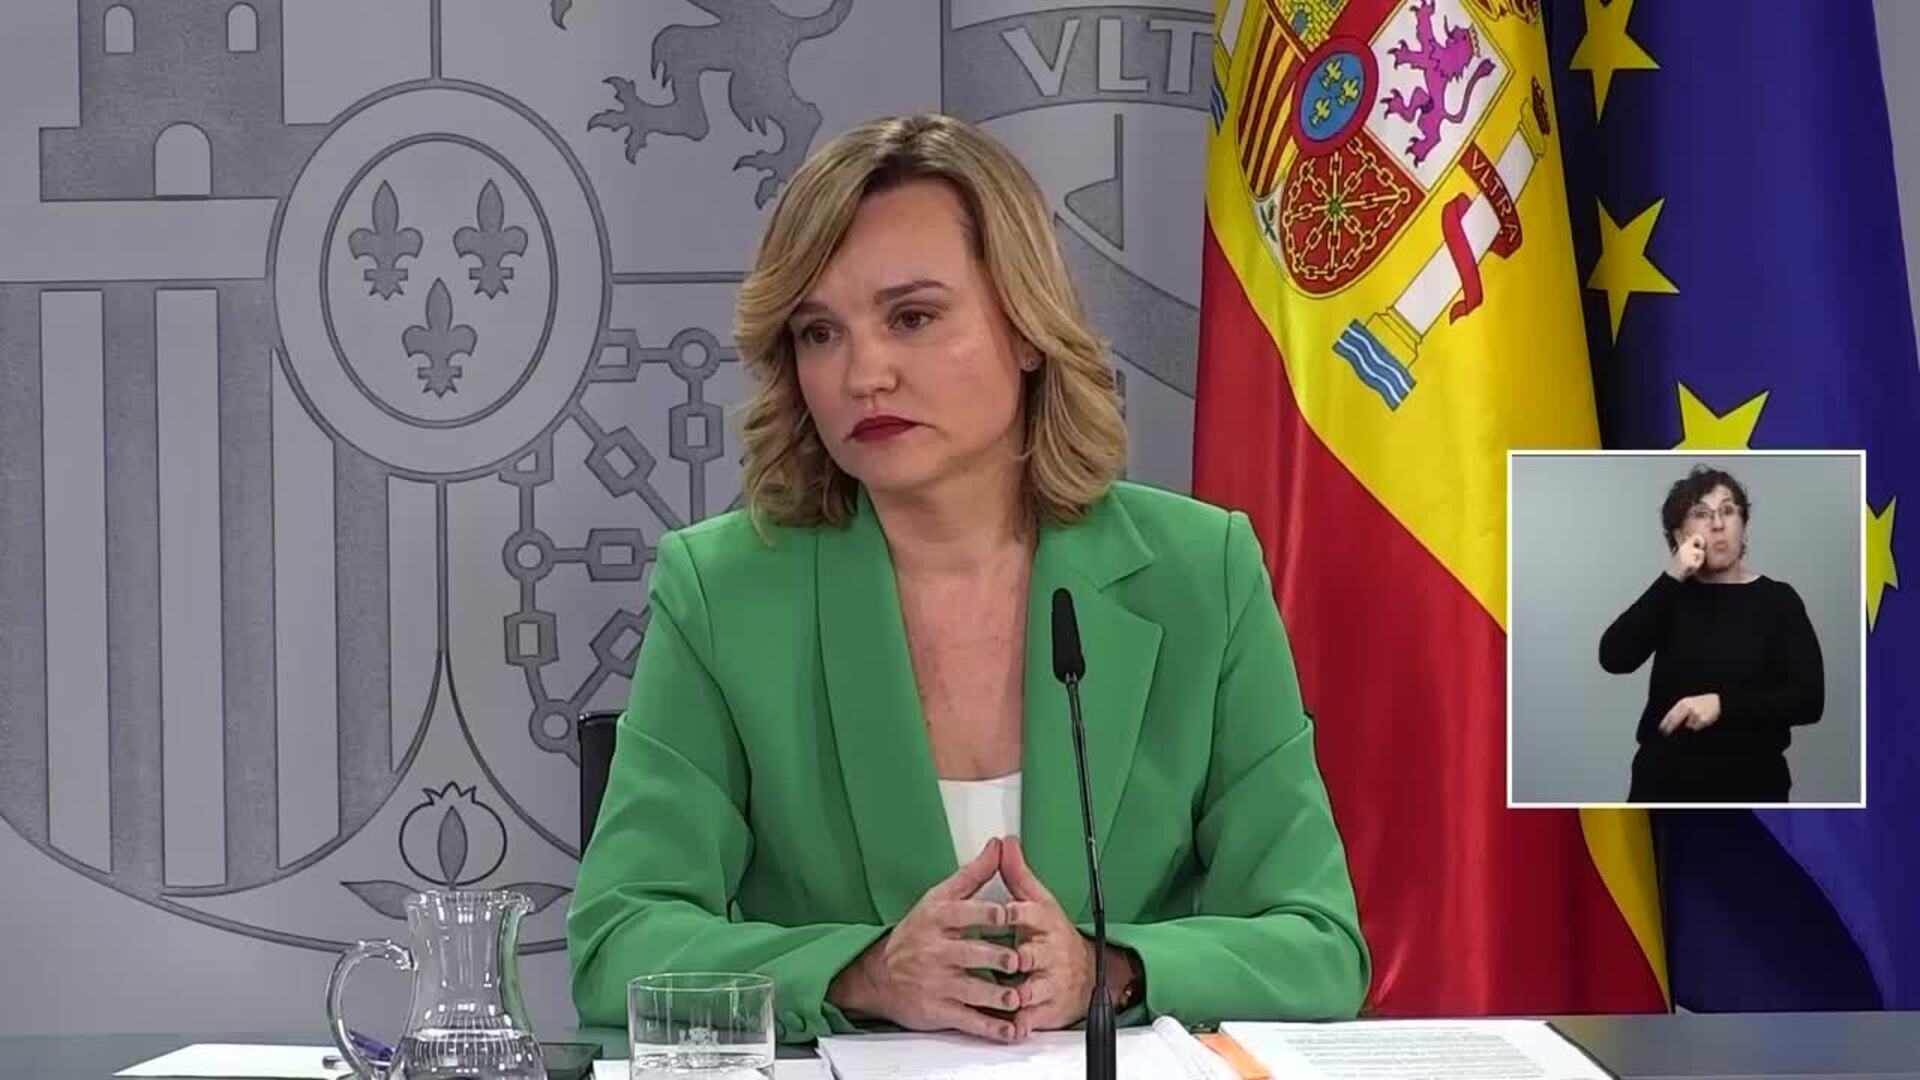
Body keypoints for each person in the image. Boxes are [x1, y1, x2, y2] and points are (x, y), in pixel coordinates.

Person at [566, 113, 1368, 1046]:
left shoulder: (1200, 573)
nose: (863, 374)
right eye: (820, 332)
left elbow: (1317, 948)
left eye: (912, 317)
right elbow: (617, 945)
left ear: (1025, 327)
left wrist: (1105, 972)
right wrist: (865, 973)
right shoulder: (726, 592)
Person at [1598, 465, 1824, 803]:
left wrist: (1722, 705)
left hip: (1752, 789)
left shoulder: (1779, 600)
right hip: (1665, 787)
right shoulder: (1671, 595)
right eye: (1701, 513)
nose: (1718, 524)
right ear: (1679, 536)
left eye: (1728, 511)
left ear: (1743, 526)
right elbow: (1614, 657)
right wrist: (1673, 574)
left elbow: (1809, 700)